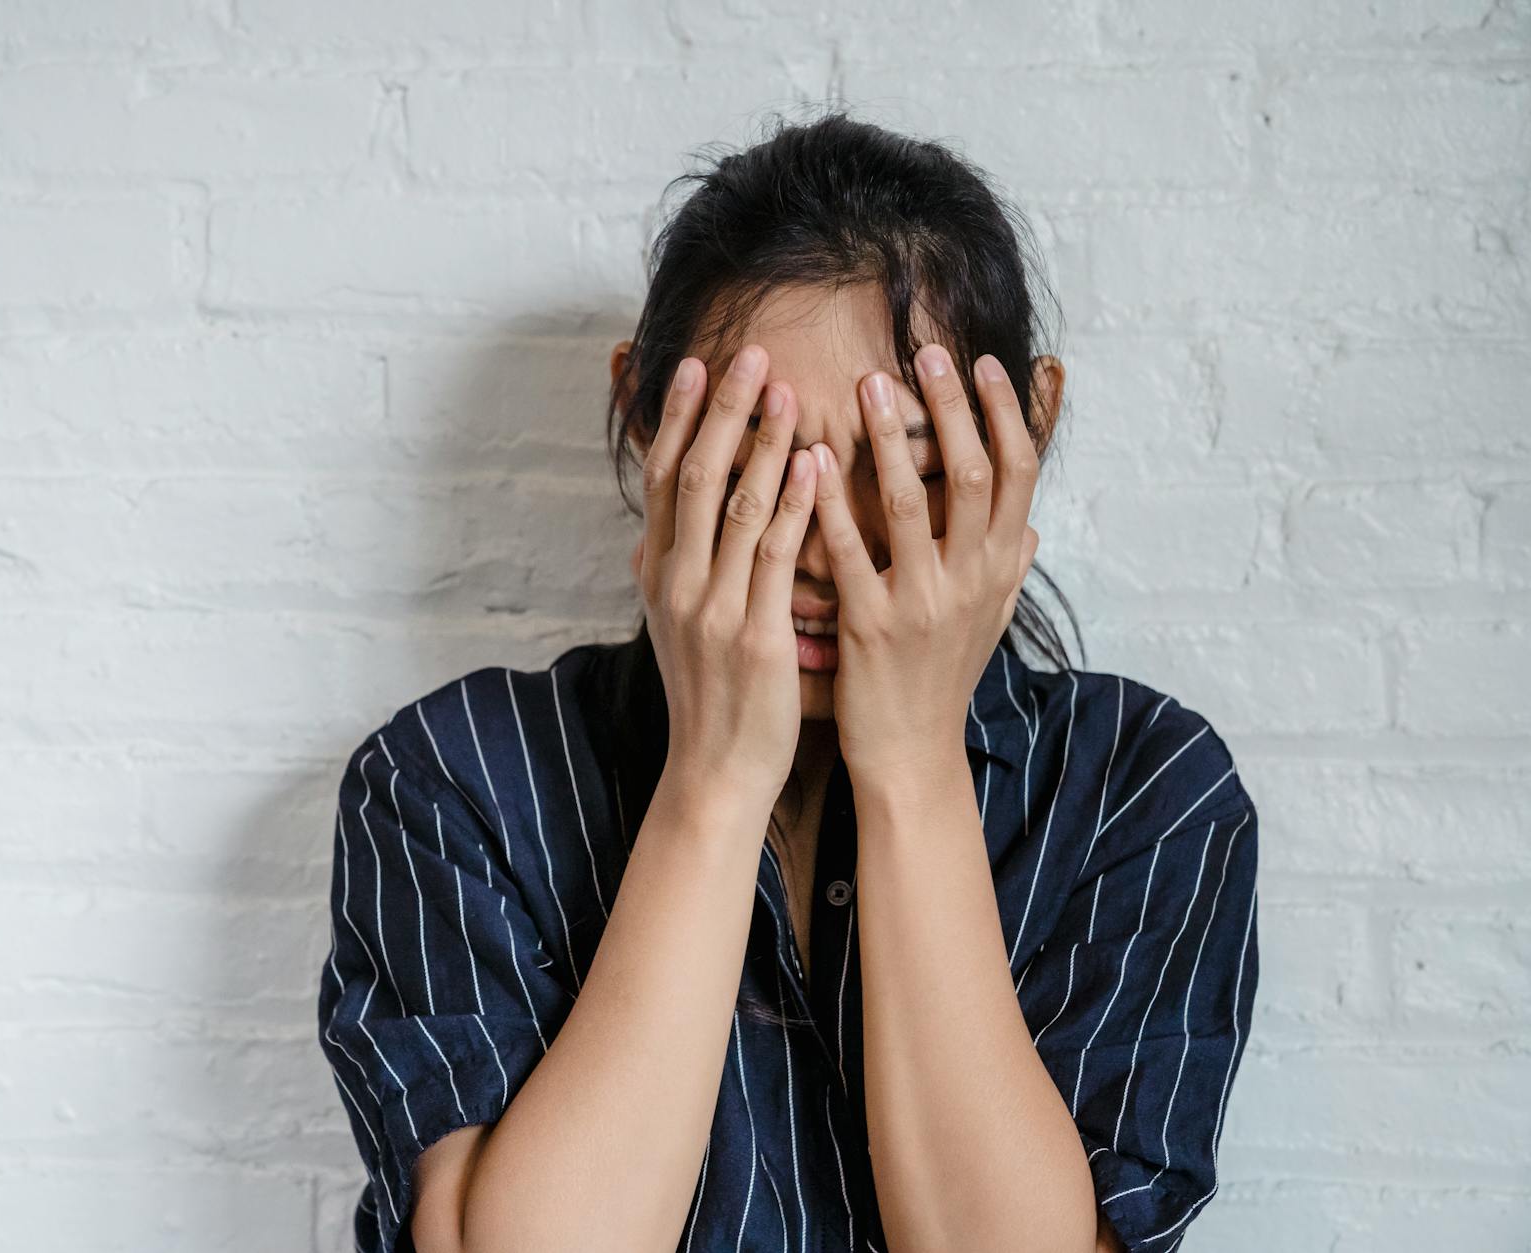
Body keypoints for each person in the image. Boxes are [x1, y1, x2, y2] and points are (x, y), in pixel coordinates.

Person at [317, 111, 1260, 1253]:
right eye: (754, 460)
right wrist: (714, 778)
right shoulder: (452, 784)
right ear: (643, 415)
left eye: (906, 468)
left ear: (1027, 425)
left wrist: (912, 764)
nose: (824, 547)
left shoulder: (1141, 795)